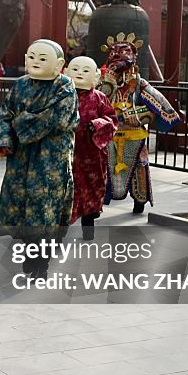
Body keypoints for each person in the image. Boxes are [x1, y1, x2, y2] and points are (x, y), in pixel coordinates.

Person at [0, 39, 78, 277]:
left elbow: (56, 119)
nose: (35, 62)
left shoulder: (65, 87)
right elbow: (5, 113)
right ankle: (29, 256)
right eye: (31, 56)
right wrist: (6, 136)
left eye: (42, 58)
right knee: (22, 206)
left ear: (59, 64)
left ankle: (41, 263)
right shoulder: (20, 85)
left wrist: (20, 121)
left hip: (51, 161)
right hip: (22, 159)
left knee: (45, 208)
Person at [97, 32, 183, 214]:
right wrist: (108, 81)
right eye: (113, 52)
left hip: (134, 137)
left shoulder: (139, 85)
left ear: (134, 57)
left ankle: (139, 202)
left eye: (124, 51)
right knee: (104, 170)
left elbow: (164, 110)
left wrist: (138, 114)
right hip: (109, 138)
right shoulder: (103, 83)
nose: (118, 55)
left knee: (139, 169)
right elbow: (96, 104)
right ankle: (96, 206)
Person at [66, 56, 117, 240]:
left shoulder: (100, 98)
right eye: (75, 69)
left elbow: (112, 120)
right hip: (66, 153)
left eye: (85, 70)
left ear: (95, 76)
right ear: (65, 73)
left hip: (91, 154)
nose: (80, 73)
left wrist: (98, 124)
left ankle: (88, 228)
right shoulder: (63, 96)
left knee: (91, 190)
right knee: (65, 191)